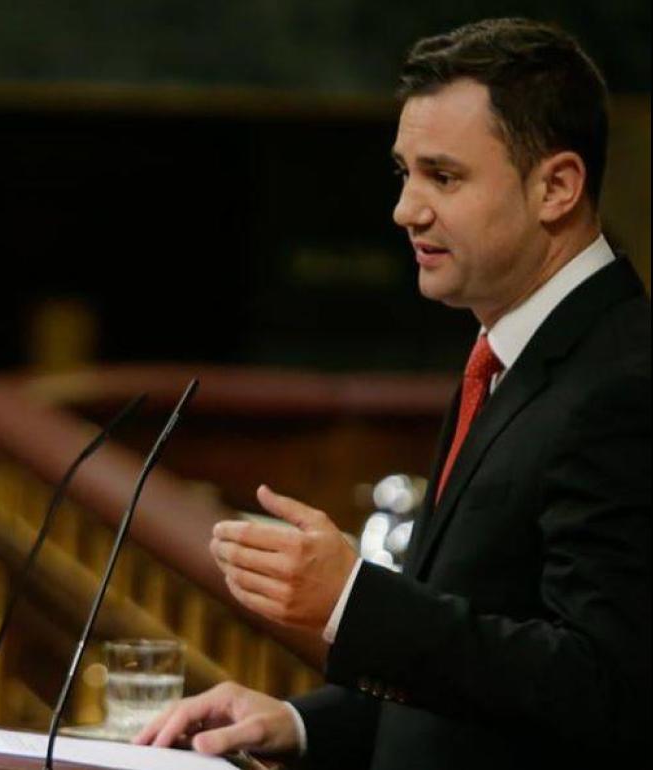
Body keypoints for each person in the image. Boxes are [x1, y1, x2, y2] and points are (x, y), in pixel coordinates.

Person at [134, 17, 650, 770]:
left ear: (558, 187)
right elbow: (483, 675)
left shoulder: (623, 382)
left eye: (444, 177)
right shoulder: (505, 354)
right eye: (403, 173)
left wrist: (352, 601)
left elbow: (602, 690)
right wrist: (300, 724)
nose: (406, 209)